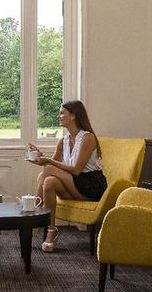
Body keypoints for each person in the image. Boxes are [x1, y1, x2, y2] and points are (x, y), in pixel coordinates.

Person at [27, 100, 107, 253]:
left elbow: (76, 170)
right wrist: (38, 156)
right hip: (74, 184)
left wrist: (48, 161)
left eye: (62, 113)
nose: (59, 116)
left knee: (49, 169)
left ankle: (34, 210)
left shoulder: (88, 138)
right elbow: (50, 167)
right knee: (49, 181)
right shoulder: (63, 141)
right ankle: (51, 230)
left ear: (73, 116)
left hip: (91, 185)